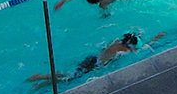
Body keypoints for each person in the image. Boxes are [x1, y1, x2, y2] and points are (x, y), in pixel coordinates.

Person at [29, 33, 160, 87]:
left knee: (70, 76)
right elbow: (143, 48)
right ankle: (39, 77)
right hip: (95, 65)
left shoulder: (116, 42)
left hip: (92, 58)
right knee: (69, 78)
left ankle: (42, 83)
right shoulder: (125, 50)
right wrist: (156, 38)